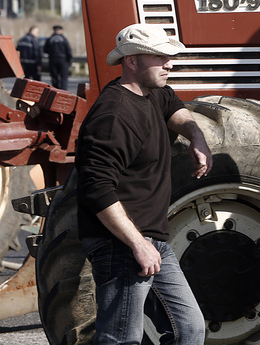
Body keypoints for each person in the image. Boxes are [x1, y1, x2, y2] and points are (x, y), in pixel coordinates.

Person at [76, 23, 212, 345]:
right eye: (160, 57)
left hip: (153, 243)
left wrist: (197, 138)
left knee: (189, 330)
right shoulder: (114, 116)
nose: (169, 64)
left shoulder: (154, 93)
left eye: (170, 57)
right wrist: (137, 244)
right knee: (121, 338)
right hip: (121, 244)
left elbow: (175, 109)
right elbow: (96, 188)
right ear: (132, 61)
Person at [44, 24, 73, 90]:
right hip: (63, 60)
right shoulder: (63, 39)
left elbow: (45, 50)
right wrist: (69, 60)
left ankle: (55, 91)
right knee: (64, 78)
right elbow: (68, 50)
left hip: (53, 60)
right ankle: (64, 92)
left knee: (54, 77)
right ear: (60, 30)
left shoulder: (50, 39)